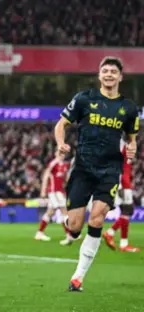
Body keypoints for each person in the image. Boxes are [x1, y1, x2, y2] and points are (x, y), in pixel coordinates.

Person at [56, 56, 139, 292]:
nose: (109, 74)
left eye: (114, 71)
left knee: (98, 217)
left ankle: (77, 277)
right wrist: (61, 142)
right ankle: (69, 226)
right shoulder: (84, 99)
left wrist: (131, 147)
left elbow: (131, 139)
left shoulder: (129, 108)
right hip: (83, 167)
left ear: (120, 77)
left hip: (110, 169)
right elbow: (61, 124)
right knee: (75, 226)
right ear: (99, 75)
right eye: (106, 71)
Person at [103, 139, 140, 252]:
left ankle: (112, 235)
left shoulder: (126, 144)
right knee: (127, 210)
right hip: (123, 183)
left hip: (125, 181)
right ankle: (119, 241)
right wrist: (118, 184)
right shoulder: (120, 143)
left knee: (127, 211)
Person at [34, 150, 72, 245]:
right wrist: (43, 190)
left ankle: (39, 233)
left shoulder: (64, 165)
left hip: (59, 192)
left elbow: (65, 179)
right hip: (54, 192)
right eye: (59, 153)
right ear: (55, 154)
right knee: (64, 211)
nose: (61, 155)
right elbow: (46, 175)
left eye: (63, 154)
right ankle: (69, 236)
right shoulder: (53, 163)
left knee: (50, 212)